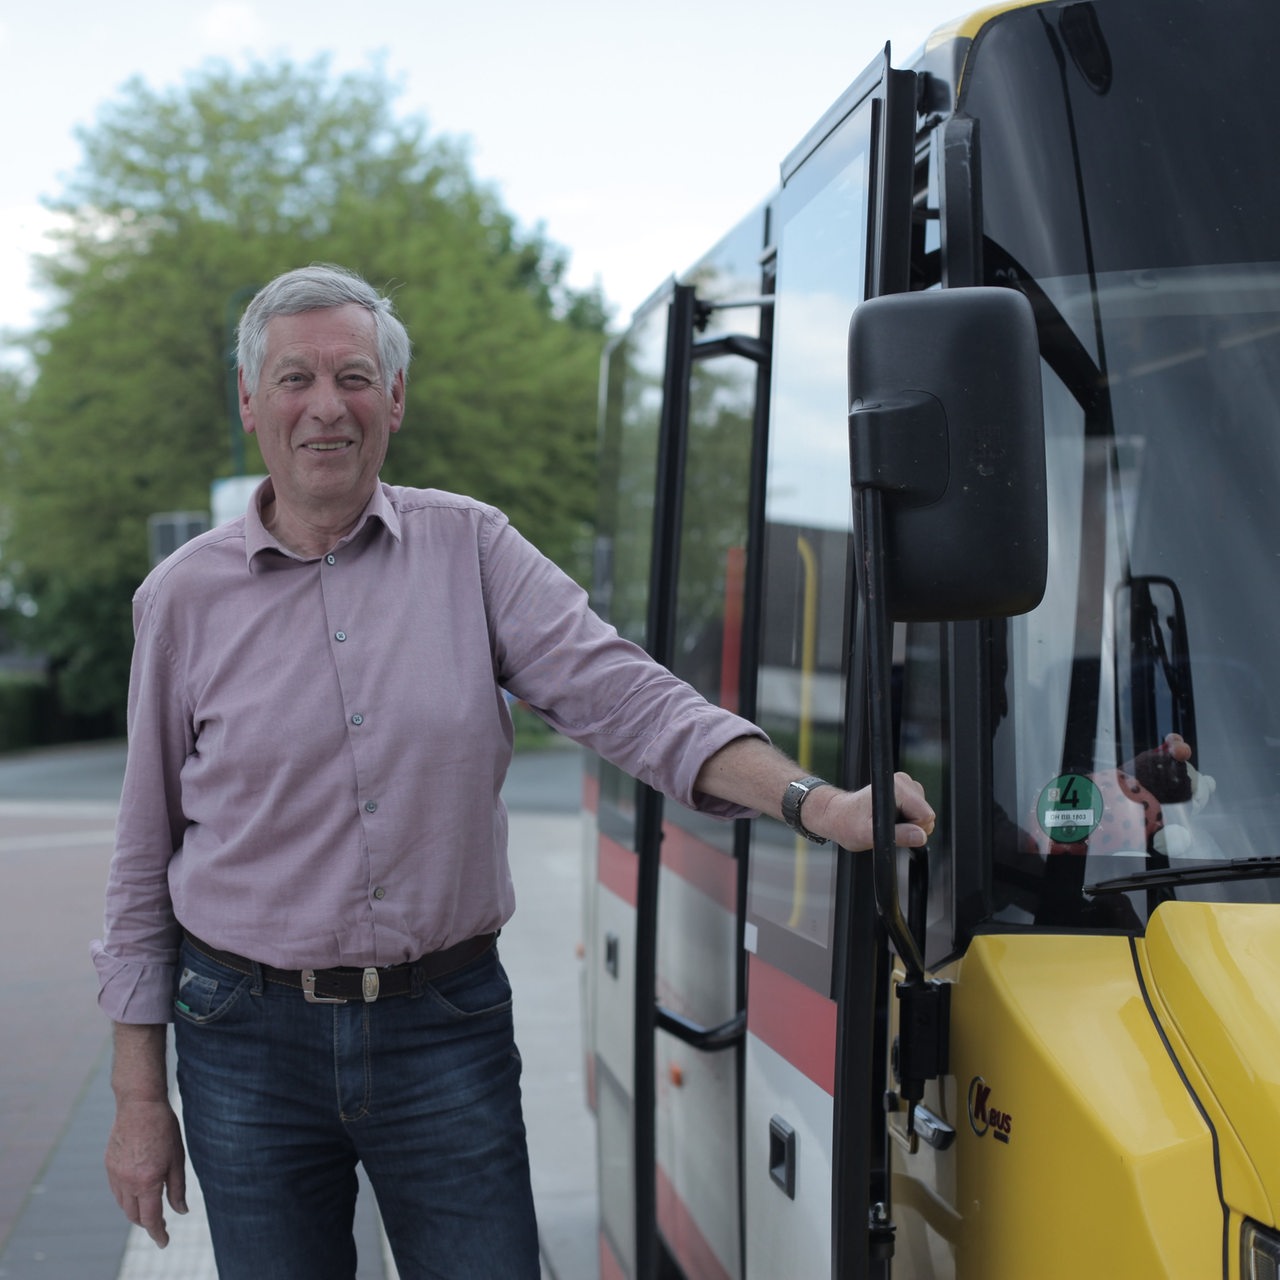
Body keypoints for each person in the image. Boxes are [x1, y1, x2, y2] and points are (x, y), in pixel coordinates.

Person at [92, 263, 935, 1279]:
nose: (327, 406)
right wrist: (141, 1101)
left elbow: (630, 699)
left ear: (394, 398)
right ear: (249, 400)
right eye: (293, 379)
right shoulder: (181, 599)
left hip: (439, 1027)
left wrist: (816, 801)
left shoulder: (473, 550)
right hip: (243, 1040)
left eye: (354, 376)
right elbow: (143, 858)